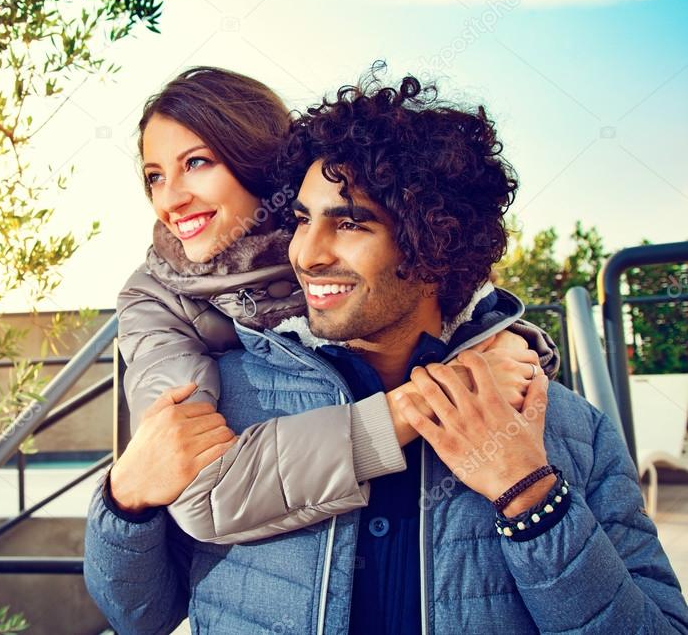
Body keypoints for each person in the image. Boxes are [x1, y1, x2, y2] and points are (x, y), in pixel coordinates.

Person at [85, 70, 688, 633]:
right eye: (300, 220)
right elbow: (140, 616)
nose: (308, 254)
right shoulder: (223, 403)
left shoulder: (566, 425)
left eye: (349, 224)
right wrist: (124, 503)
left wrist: (532, 497)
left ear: (434, 247)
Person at [117, 67, 555, 544]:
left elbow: (447, 279)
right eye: (154, 177)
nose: (170, 200)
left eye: (196, 163)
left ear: (257, 159)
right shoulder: (154, 298)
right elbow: (198, 487)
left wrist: (514, 343)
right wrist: (423, 404)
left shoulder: (344, 221)